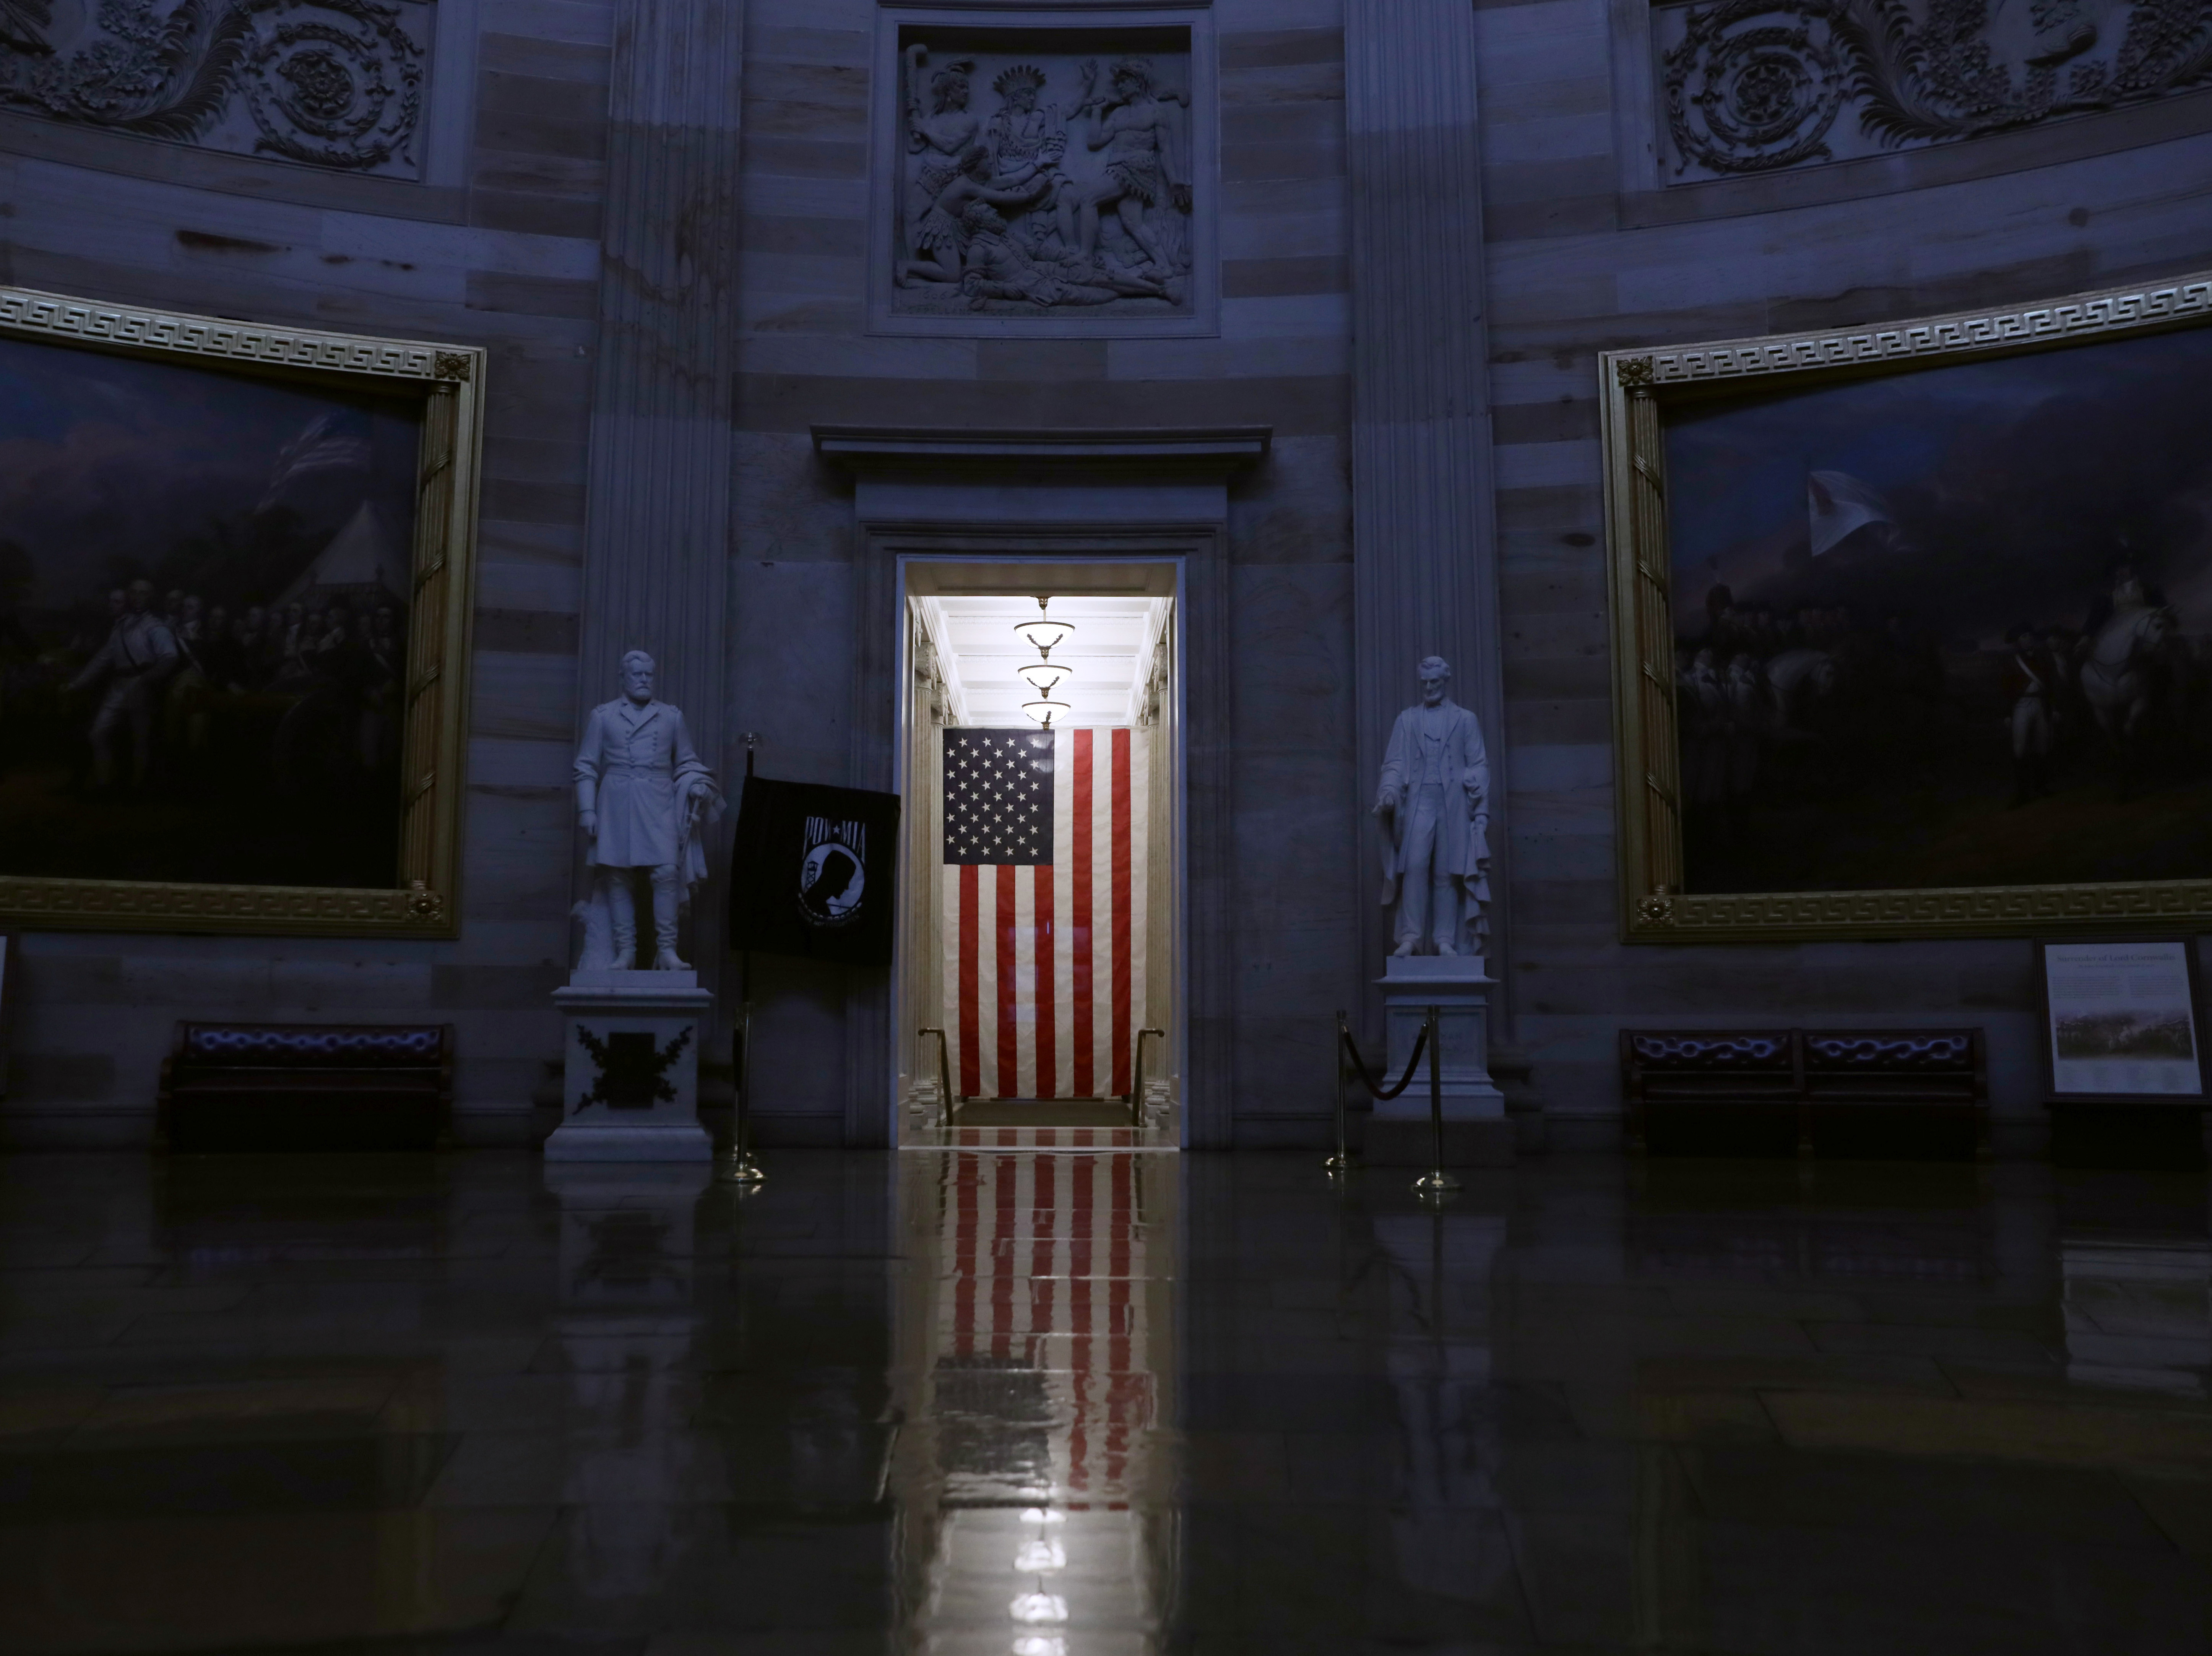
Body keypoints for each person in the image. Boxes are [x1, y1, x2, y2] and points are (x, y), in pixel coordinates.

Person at [573, 650, 721, 971]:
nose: (644, 680)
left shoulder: (671, 716)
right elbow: (585, 767)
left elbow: (686, 761)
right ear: (623, 677)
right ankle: (625, 953)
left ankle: (667, 951)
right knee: (617, 877)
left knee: (667, 873)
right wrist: (587, 810)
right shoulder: (603, 716)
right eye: (637, 675)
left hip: (659, 802)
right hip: (616, 802)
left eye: (649, 675)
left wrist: (696, 783)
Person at [1372, 656, 1491, 958]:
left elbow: (1479, 763)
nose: (1429, 688)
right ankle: (1411, 937)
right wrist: (1388, 791)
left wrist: (1478, 803)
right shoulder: (1407, 720)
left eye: (1434, 682)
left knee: (1446, 873)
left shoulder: (1466, 720)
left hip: (1452, 803)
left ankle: (1444, 939)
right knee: (1413, 867)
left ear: (1445, 681)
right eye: (1424, 683)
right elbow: (1395, 763)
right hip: (1418, 801)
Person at [1068, 56, 1190, 273]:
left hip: (1135, 167)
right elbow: (1095, 142)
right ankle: (1163, 264)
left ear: (1137, 81)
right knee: (1133, 223)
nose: (1120, 86)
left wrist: (1174, 182)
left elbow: (1166, 150)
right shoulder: (1119, 113)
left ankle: (1085, 255)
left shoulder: (1155, 111)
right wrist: (1097, 112)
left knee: (1088, 199)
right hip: (1120, 167)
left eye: (1124, 81)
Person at [67, 578, 179, 790]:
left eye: (144, 593)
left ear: (151, 597)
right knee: (98, 733)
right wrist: (76, 685)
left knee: (140, 740)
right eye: (135, 593)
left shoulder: (156, 627)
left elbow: (170, 657)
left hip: (142, 686)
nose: (138, 597)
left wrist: (148, 680)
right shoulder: (121, 627)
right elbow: (102, 660)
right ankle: (105, 784)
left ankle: (138, 788)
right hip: (118, 687)